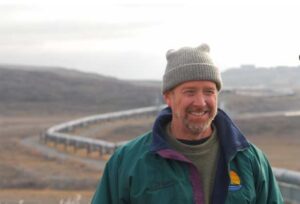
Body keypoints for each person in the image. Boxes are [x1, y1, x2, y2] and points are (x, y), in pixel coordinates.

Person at [92, 44, 283, 204]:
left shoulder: (250, 160)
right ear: (168, 97)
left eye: (209, 92)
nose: (200, 102)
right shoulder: (128, 162)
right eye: (190, 92)